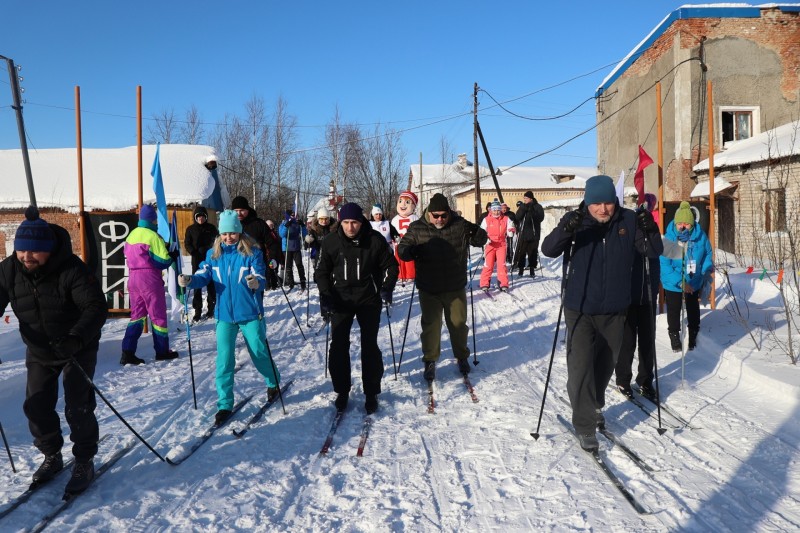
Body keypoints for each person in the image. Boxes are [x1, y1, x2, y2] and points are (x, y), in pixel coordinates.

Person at [541, 175, 662, 452]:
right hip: (579, 307)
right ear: (588, 201)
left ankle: (594, 404)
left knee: (606, 364)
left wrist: (650, 227)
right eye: (596, 203)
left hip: (615, 308)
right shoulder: (577, 221)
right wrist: (566, 229)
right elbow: (548, 250)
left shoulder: (628, 220)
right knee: (581, 366)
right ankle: (584, 425)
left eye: (607, 202)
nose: (602, 209)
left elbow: (652, 251)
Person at [0, 206, 107, 494]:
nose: (27, 257)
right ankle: (52, 454)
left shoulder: (71, 268)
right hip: (39, 349)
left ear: (48, 249)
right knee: (36, 406)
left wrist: (76, 337)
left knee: (77, 406)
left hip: (76, 346)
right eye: (22, 251)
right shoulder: (9, 270)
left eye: (34, 252)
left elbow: (96, 307)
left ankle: (84, 459)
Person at [179, 210, 281, 425]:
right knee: (224, 360)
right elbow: (202, 275)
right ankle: (225, 403)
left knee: (258, 351)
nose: (228, 237)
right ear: (220, 234)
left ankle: (273, 382)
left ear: (239, 231)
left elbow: (261, 275)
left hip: (250, 313)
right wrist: (189, 280)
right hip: (224, 315)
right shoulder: (213, 255)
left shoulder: (252, 252)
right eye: (225, 233)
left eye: (232, 233)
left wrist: (257, 282)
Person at [314, 203, 398, 414]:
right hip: (340, 298)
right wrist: (325, 295)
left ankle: (371, 392)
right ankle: (342, 390)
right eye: (346, 223)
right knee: (339, 345)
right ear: (340, 222)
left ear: (361, 222)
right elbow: (321, 271)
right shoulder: (331, 241)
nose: (350, 227)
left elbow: (391, 266)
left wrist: (387, 288)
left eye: (354, 223)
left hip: (368, 298)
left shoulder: (375, 240)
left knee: (369, 345)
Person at [397, 193, 488, 381]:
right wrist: (409, 251)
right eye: (436, 215)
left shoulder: (460, 224)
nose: (440, 219)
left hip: (454, 286)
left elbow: (479, 240)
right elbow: (402, 249)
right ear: (429, 213)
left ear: (449, 213)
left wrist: (480, 234)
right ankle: (430, 360)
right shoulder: (416, 228)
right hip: (429, 287)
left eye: (443, 215)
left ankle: (462, 356)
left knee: (458, 324)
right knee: (431, 326)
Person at [121, 204, 179, 365]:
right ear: (153, 220)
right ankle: (161, 351)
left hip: (133, 278)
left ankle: (127, 352)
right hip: (149, 279)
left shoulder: (132, 235)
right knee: (157, 316)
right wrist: (171, 255)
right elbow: (162, 260)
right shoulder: (153, 236)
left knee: (137, 316)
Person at [615, 216, 661, 399]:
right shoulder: (625, 235)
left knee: (647, 342)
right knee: (627, 343)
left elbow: (658, 252)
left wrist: (651, 230)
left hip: (648, 296)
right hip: (627, 298)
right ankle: (623, 379)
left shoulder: (653, 234)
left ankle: (645, 380)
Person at [660, 201, 713, 353]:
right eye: (680, 224)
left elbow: (708, 253)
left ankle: (694, 331)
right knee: (674, 307)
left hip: (693, 278)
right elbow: (665, 265)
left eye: (687, 224)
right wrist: (680, 282)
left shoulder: (700, 236)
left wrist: (704, 271)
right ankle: (674, 332)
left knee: (692, 306)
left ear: (692, 224)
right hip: (674, 281)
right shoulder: (669, 239)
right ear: (675, 224)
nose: (683, 227)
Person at [183, 206, 218, 322]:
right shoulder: (191, 229)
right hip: (196, 259)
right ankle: (197, 310)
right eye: (198, 217)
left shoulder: (211, 228)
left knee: (211, 283)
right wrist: (193, 251)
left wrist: (208, 249)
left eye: (202, 217)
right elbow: (187, 243)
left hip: (210, 259)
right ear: (195, 218)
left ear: (206, 217)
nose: (201, 219)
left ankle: (211, 308)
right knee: (197, 284)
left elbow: (216, 241)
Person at [479, 199, 515, 292]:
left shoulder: (506, 219)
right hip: (490, 244)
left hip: (501, 244)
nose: (496, 212)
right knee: (488, 264)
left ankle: (503, 283)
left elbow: (510, 227)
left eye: (498, 210)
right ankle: (484, 283)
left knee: (501, 265)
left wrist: (510, 231)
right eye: (494, 210)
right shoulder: (486, 219)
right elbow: (482, 231)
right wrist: (485, 239)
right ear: (491, 210)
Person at [391, 190, 419, 282]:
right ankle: (401, 275)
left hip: (410, 244)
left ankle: (411, 275)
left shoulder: (415, 218)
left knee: (410, 260)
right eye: (400, 201)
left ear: (413, 206)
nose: (403, 204)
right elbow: (392, 231)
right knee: (399, 260)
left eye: (407, 202)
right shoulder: (395, 219)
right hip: (398, 243)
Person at [515, 191, 545, 277]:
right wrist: (523, 209)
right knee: (522, 252)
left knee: (533, 252)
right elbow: (517, 217)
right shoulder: (522, 206)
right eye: (524, 198)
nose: (524, 199)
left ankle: (532, 270)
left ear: (531, 198)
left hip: (534, 234)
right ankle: (521, 270)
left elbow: (540, 218)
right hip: (524, 234)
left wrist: (533, 212)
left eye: (526, 198)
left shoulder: (538, 207)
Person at [278, 210, 307, 291]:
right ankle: (290, 281)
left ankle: (302, 280)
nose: (293, 217)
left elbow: (304, 234)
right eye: (292, 215)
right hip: (287, 248)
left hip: (296, 247)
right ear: (288, 216)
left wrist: (303, 225)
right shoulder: (283, 224)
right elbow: (282, 235)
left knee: (299, 264)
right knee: (288, 265)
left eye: (294, 215)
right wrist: (286, 226)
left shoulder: (297, 223)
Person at [265, 220, 282, 290]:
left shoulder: (275, 233)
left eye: (272, 225)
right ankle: (268, 285)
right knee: (269, 270)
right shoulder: (265, 233)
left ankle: (274, 284)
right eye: (269, 225)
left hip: (276, 254)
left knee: (275, 269)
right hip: (269, 254)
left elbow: (278, 243)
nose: (271, 227)